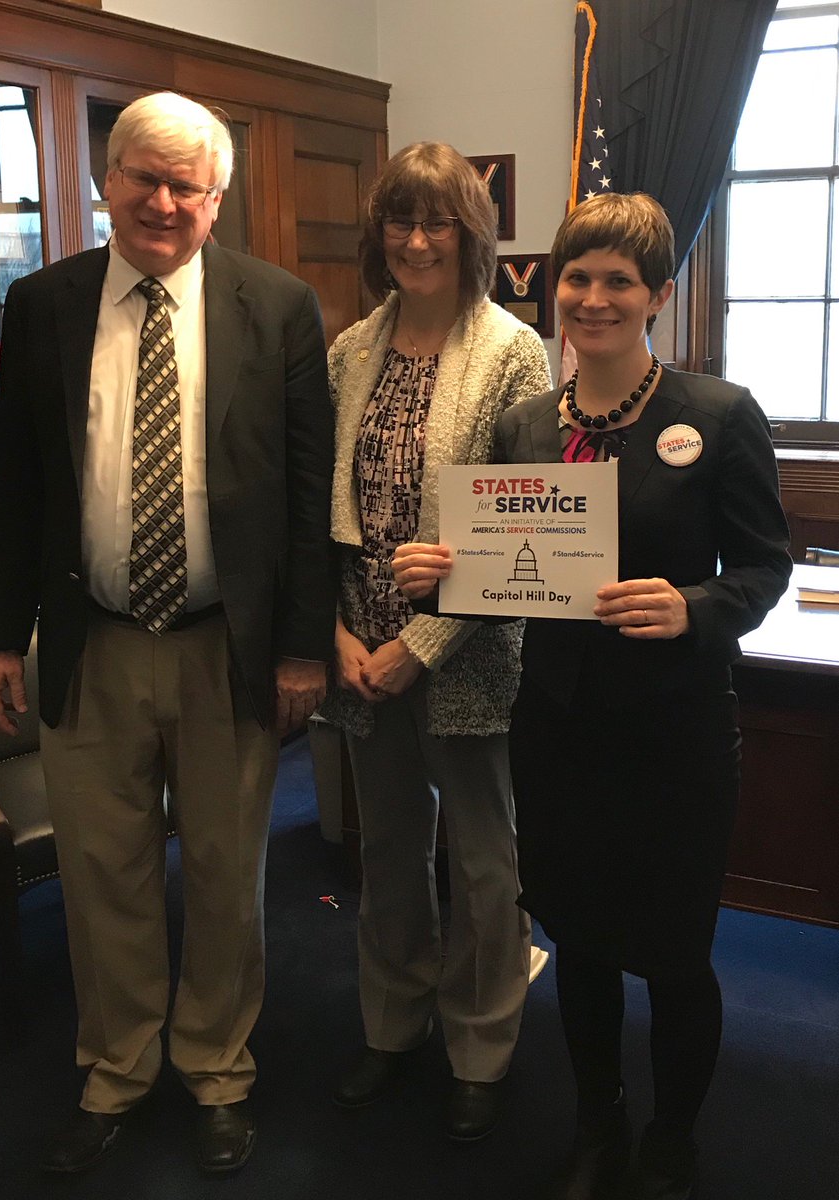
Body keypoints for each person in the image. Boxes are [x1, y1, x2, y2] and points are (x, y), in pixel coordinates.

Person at [392, 193, 791, 1198]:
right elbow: (500, 574)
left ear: (657, 294)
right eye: (578, 277)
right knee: (578, 941)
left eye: (619, 280)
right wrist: (434, 577)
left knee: (672, 951)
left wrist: (693, 606)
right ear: (552, 287)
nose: (594, 298)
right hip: (557, 731)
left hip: (675, 735)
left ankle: (672, 1139)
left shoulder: (715, 414)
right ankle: (597, 1122)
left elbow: (762, 568)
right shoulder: (529, 424)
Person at [0, 91, 335, 1177]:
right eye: (145, 176)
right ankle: (118, 1065)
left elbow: (308, 494)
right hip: (92, 639)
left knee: (227, 872)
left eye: (188, 183)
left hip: (228, 644)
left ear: (218, 197)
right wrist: (1, 640)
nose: (164, 201)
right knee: (102, 872)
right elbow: (23, 489)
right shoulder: (42, 304)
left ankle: (217, 1067)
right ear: (106, 180)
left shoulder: (279, 307)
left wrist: (303, 649)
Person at [320, 142, 552, 1141]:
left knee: (483, 863)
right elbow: (325, 513)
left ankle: (482, 1042)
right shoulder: (348, 352)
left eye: (438, 221)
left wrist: (422, 642)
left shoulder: (512, 352)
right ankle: (392, 1025)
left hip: (465, 658)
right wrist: (337, 632)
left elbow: (522, 534)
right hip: (360, 659)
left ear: (471, 234)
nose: (417, 241)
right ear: (378, 234)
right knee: (388, 854)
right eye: (400, 221)